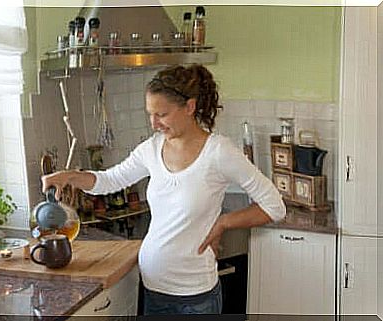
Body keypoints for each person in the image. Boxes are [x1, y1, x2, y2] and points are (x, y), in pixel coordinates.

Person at [41, 64, 286, 315]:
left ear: (189, 107)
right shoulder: (152, 148)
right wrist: (68, 176)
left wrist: (224, 222)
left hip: (195, 298)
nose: (154, 123)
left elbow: (275, 206)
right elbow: (109, 180)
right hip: (153, 288)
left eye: (162, 114)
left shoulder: (219, 152)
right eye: (150, 114)